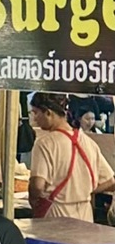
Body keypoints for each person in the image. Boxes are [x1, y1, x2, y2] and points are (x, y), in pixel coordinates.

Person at [28, 91, 114, 222]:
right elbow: (110, 181)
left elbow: (38, 186)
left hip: (56, 216)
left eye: (36, 113)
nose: (34, 119)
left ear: (48, 113)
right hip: (85, 217)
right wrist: (82, 191)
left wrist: (33, 200)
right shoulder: (89, 143)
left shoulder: (45, 144)